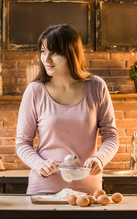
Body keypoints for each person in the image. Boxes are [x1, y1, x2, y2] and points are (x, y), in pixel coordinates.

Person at [15, 24, 119, 195]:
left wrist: (99, 159)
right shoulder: (35, 91)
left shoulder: (97, 87)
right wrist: (39, 164)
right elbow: (22, 143)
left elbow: (111, 136)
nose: (46, 59)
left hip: (88, 192)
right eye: (43, 51)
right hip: (44, 190)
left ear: (71, 53)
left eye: (54, 52)